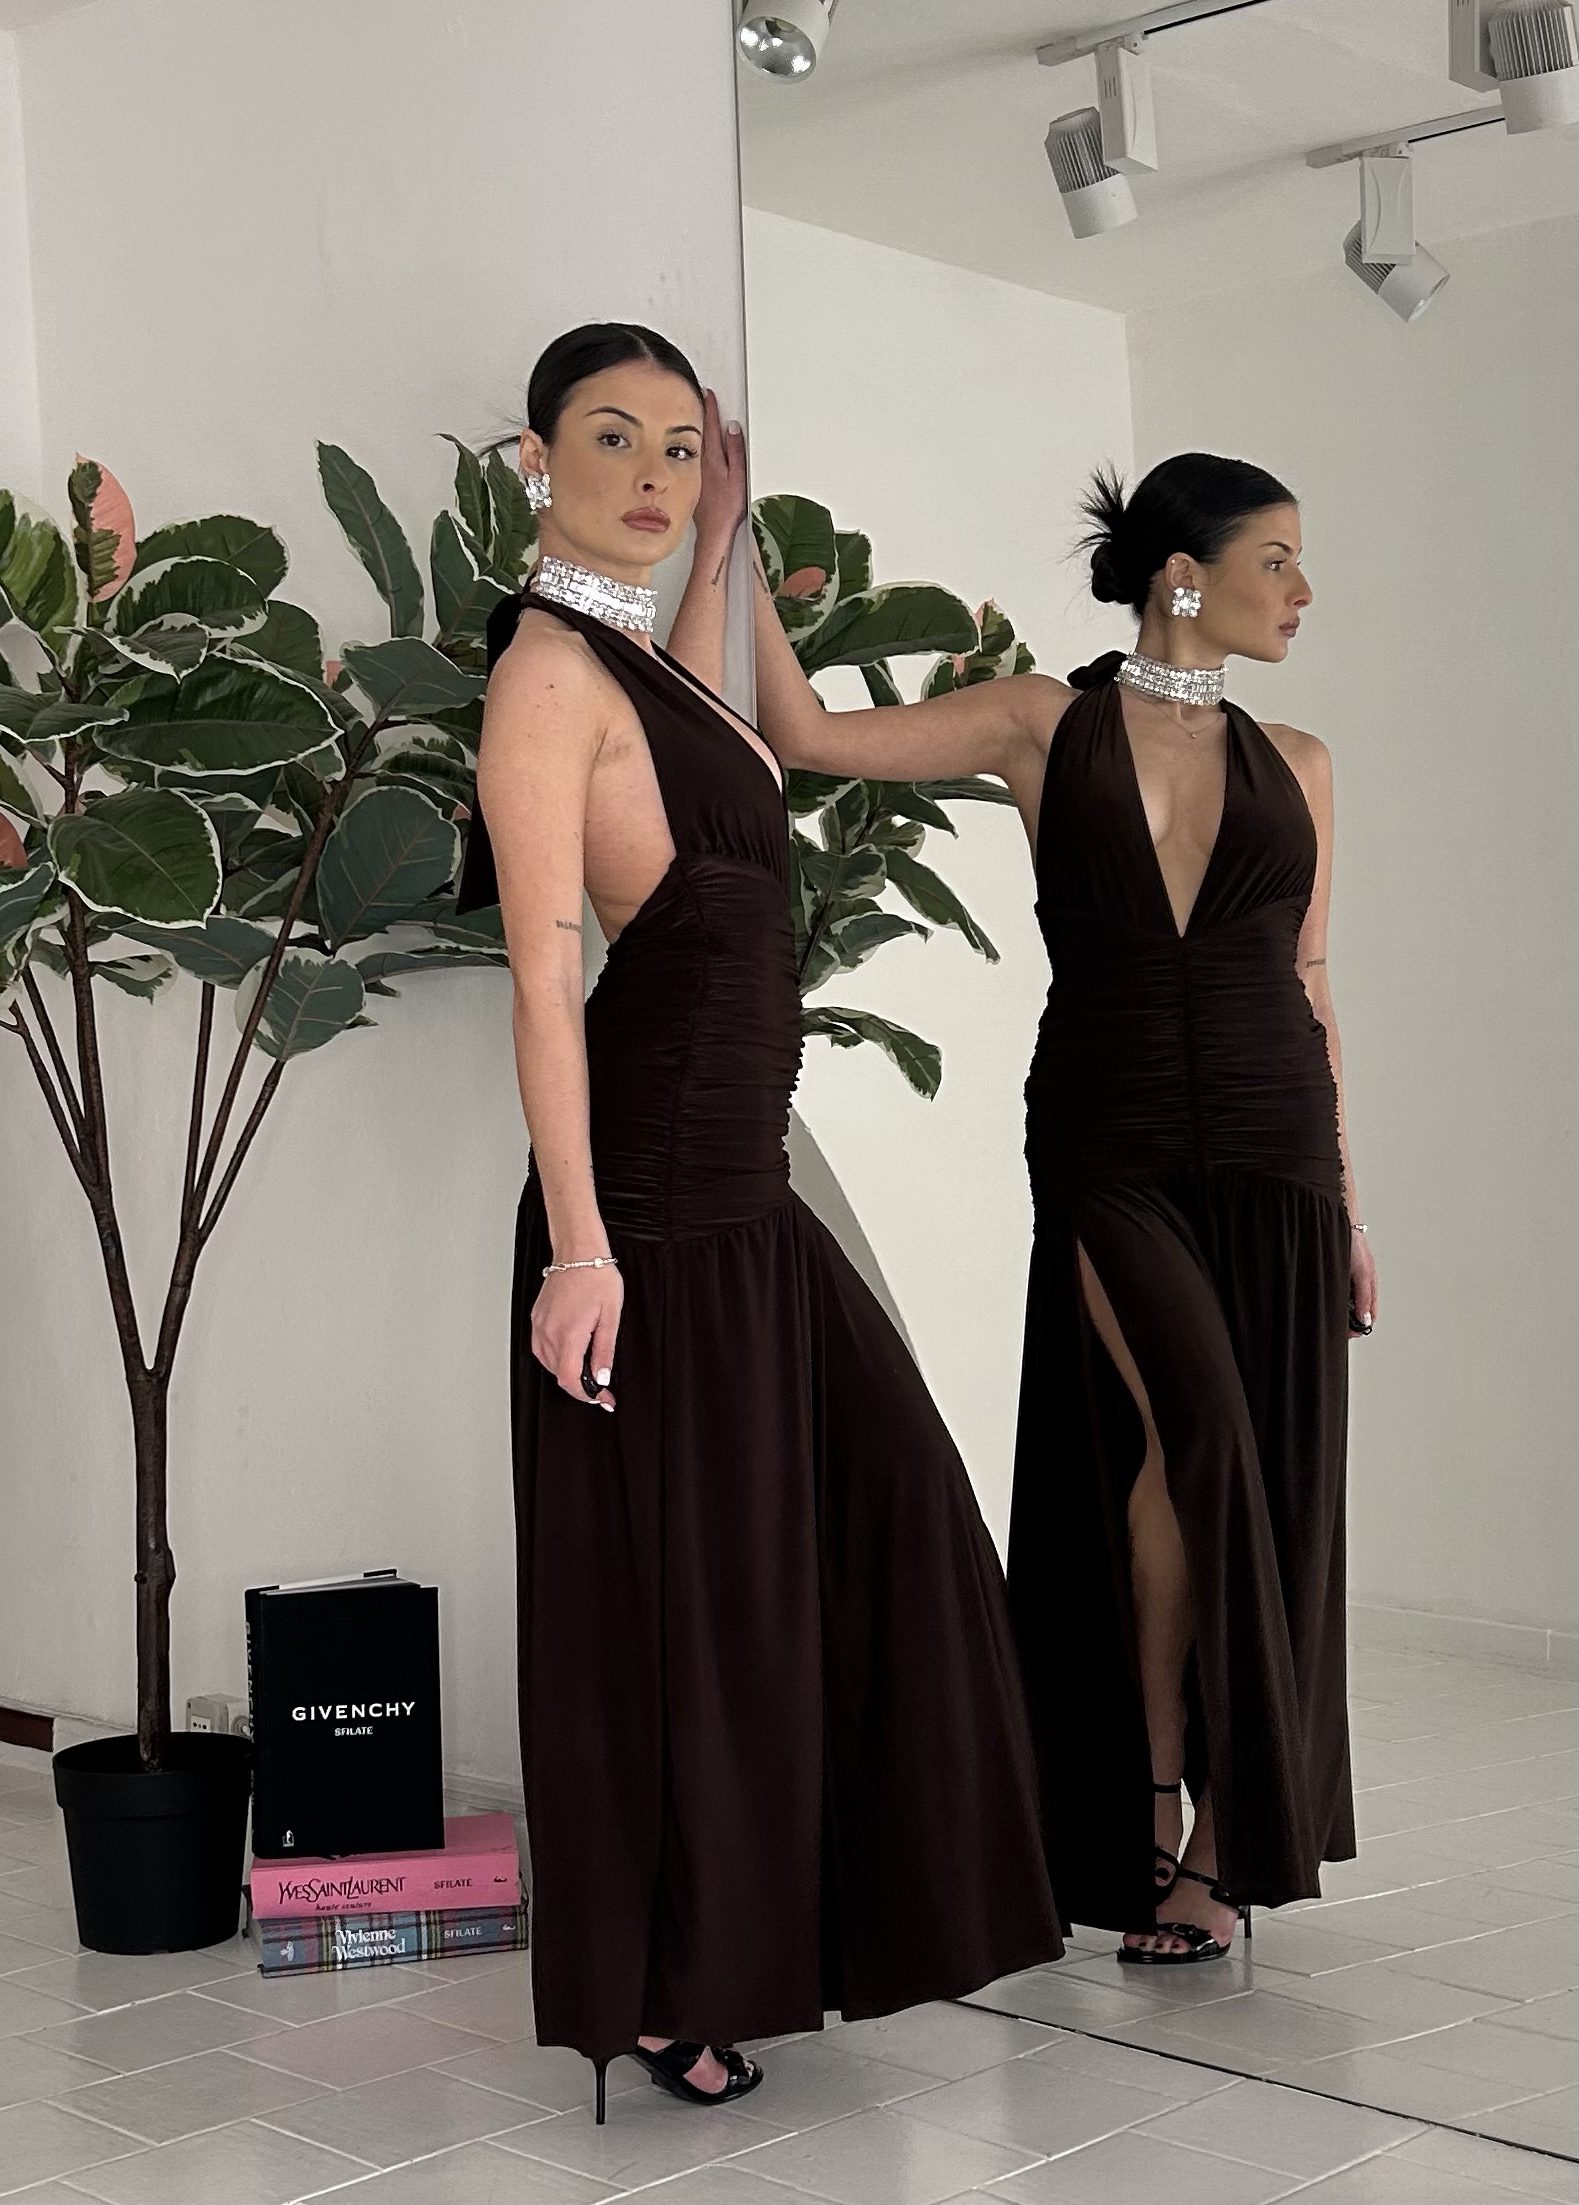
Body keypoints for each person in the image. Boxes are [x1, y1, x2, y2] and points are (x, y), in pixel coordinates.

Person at [456, 323, 1063, 2122]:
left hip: (747, 1194)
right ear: (534, 461)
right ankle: (674, 1982)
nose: (650, 474)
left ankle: (793, 1930)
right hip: (649, 1209)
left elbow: (727, 755)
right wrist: (581, 1248)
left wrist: (724, 543)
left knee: (869, 1532)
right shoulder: (545, 679)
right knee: (690, 1614)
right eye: (611, 438)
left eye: (676, 445)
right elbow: (548, 982)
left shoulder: (651, 667)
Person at [738, 446, 1376, 1965]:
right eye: (1276, 558)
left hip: (1277, 1140)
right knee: (1198, 1434)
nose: (1302, 589)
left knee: (1233, 1468)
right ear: (1184, 574)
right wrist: (730, 542)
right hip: (1110, 1134)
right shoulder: (1043, 721)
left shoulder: (1301, 761)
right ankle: (1147, 1787)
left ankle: (1211, 1832)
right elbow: (805, 734)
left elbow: (1310, 981)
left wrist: (1350, 1202)